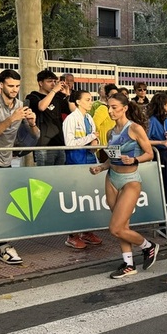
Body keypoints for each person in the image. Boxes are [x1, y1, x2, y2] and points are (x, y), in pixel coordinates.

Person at [88, 93, 159, 279]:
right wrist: (101, 167)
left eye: (114, 107)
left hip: (130, 181)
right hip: (112, 179)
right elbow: (113, 159)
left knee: (116, 228)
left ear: (124, 108)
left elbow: (149, 153)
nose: (110, 111)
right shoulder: (111, 132)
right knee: (123, 226)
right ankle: (128, 263)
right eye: (109, 107)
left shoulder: (134, 129)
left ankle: (148, 246)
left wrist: (134, 158)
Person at [0, 69, 40, 265]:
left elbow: (35, 136)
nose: (14, 90)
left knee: (3, 203)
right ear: (1, 85)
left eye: (17, 86)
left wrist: (32, 123)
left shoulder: (20, 105)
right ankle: (3, 246)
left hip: (6, 159)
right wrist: (12, 118)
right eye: (11, 86)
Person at [62, 90, 104, 249]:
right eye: (87, 99)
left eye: (91, 99)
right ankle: (72, 235)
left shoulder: (89, 118)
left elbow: (94, 139)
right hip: (76, 162)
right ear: (78, 102)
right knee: (76, 200)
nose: (91, 102)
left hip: (90, 160)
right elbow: (69, 143)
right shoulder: (71, 119)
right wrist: (91, 138)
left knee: (89, 199)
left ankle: (87, 232)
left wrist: (95, 143)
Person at [145, 92, 167, 234]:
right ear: (162, 105)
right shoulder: (151, 121)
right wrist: (161, 142)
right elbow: (144, 140)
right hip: (161, 154)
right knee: (164, 187)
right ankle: (165, 221)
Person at [26, 70, 70, 167]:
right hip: (43, 145)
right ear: (40, 83)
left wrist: (67, 95)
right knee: (44, 177)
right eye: (49, 81)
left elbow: (71, 110)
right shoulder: (33, 96)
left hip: (59, 142)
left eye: (55, 81)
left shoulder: (57, 97)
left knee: (59, 175)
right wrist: (54, 91)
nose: (53, 84)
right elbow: (41, 107)